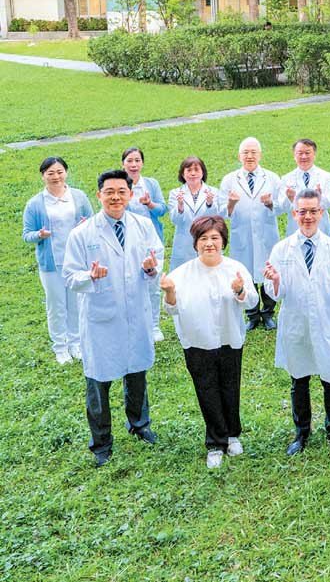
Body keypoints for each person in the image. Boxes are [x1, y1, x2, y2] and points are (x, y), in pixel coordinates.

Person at [63, 169, 164, 467]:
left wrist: (151, 268)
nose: (116, 197)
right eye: (109, 192)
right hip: (101, 318)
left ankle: (139, 424)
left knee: (137, 372)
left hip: (135, 313)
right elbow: (70, 276)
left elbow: (156, 260)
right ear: (99, 195)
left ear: (130, 194)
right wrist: (90, 276)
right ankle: (101, 442)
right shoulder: (83, 234)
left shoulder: (143, 225)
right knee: (99, 382)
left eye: (122, 191)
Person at [160, 216, 258, 469]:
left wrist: (239, 290)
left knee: (230, 387)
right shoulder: (182, 274)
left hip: (229, 338)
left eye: (215, 238)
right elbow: (171, 309)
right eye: (203, 238)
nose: (209, 243)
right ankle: (215, 442)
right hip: (197, 341)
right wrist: (169, 292)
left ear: (223, 241)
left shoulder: (235, 268)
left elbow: (252, 301)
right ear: (195, 243)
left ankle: (232, 434)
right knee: (207, 390)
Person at [265, 190, 330, 456]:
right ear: (294, 214)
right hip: (296, 323)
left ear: (321, 213)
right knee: (299, 379)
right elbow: (274, 292)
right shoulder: (282, 249)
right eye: (302, 211)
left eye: (313, 211)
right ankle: (301, 432)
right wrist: (275, 282)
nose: (308, 217)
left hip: (326, 322)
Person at [22, 156, 93, 364]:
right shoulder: (35, 204)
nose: (56, 176)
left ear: (66, 173)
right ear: (43, 176)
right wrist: (39, 235)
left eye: (60, 172)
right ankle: (60, 347)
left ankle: (75, 343)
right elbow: (27, 234)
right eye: (50, 173)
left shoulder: (79, 197)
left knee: (75, 304)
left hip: (76, 261)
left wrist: (85, 225)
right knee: (56, 306)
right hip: (51, 264)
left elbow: (93, 222)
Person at [218, 137, 284, 331]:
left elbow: (283, 206)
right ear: (239, 156)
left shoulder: (272, 178)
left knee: (268, 272)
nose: (249, 156)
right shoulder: (229, 180)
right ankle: (252, 315)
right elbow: (221, 212)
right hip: (242, 235)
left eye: (253, 152)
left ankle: (268, 313)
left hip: (266, 233)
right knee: (246, 273)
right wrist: (231, 203)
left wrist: (270, 204)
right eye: (245, 153)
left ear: (260, 155)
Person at [122, 146, 168, 341]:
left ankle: (154, 325)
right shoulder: (120, 185)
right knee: (130, 285)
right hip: (127, 243)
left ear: (142, 163)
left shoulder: (151, 184)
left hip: (151, 241)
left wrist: (150, 204)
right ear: (123, 164)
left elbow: (162, 210)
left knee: (153, 286)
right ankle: (133, 325)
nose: (134, 164)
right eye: (130, 161)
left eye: (137, 160)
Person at [168, 156, 218, 271]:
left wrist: (209, 203)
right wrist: (180, 206)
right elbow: (175, 220)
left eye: (196, 169)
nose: (193, 173)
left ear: (203, 172)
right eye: (189, 170)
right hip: (184, 244)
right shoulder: (175, 193)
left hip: (207, 240)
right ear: (183, 174)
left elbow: (215, 218)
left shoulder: (213, 192)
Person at [278, 138, 330, 237]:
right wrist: (290, 199)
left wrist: (320, 197)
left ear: (314, 154)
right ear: (294, 155)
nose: (304, 156)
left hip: (321, 228)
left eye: (307, 153)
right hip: (295, 229)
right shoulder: (286, 178)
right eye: (300, 153)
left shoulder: (326, 176)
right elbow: (283, 208)